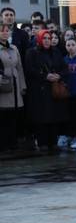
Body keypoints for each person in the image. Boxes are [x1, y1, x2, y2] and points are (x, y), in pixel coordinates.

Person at [24, 30, 69, 152]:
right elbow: (29, 70)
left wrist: (58, 75)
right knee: (41, 118)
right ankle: (42, 142)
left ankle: (53, 142)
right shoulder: (31, 52)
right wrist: (45, 76)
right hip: (39, 91)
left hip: (53, 90)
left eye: (49, 38)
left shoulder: (56, 52)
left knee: (54, 117)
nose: (47, 40)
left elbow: (65, 68)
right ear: (39, 39)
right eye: (44, 38)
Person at [0, 22, 27, 152]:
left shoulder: (14, 48)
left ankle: (12, 142)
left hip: (15, 84)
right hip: (2, 85)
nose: (5, 33)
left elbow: (20, 67)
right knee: (3, 115)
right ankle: (4, 143)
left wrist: (23, 85)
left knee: (13, 115)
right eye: (2, 31)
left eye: (7, 30)